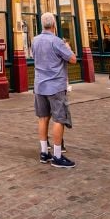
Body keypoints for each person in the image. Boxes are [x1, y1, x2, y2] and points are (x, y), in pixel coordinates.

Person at [32, 13, 77, 168]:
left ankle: (44, 152)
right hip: (55, 86)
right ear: (54, 25)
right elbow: (72, 59)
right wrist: (68, 48)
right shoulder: (57, 41)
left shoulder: (35, 40)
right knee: (59, 119)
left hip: (39, 85)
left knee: (43, 118)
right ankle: (57, 156)